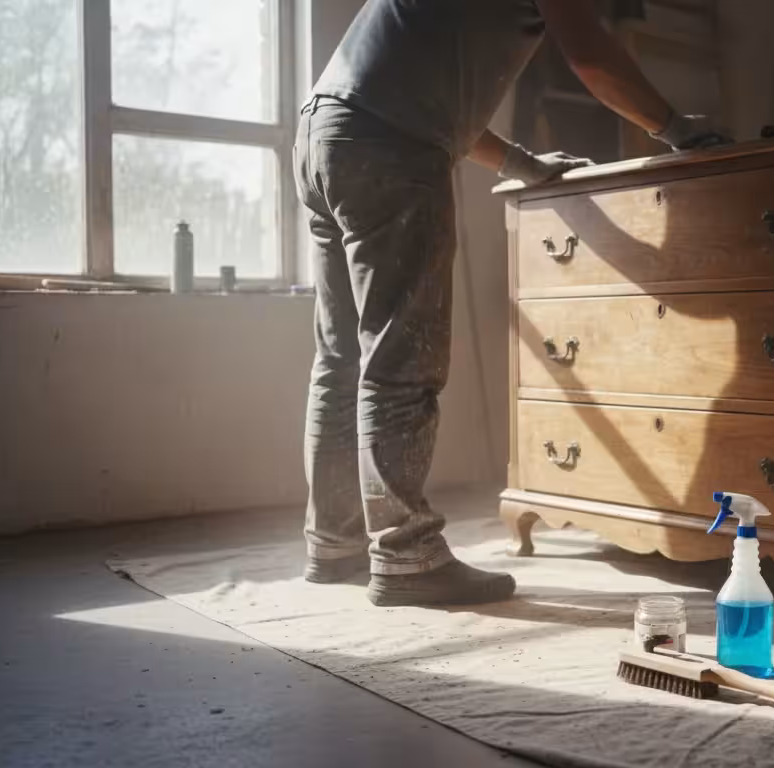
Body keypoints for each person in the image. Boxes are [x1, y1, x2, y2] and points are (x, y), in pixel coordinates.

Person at [293, 0, 732, 606]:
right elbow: (590, 54)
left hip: (325, 132)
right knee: (402, 358)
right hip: (387, 144)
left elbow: (433, 97)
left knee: (342, 360)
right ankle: (405, 555)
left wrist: (521, 162)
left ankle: (334, 543)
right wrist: (676, 128)